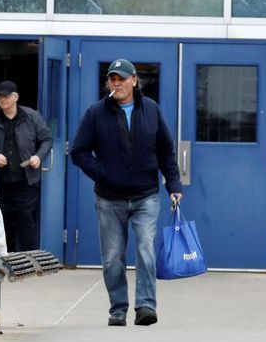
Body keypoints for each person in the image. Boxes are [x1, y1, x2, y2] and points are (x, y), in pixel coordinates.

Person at [70, 59, 183, 327]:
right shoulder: (96, 113)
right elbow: (78, 152)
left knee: (145, 249)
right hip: (109, 198)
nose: (117, 83)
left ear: (134, 80)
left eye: (122, 78)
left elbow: (166, 150)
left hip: (146, 195)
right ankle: (118, 309)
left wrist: (174, 185)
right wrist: (103, 173)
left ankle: (145, 306)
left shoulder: (152, 110)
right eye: (112, 79)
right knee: (112, 257)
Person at [0, 81, 52, 252]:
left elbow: (47, 139)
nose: (2, 99)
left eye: (6, 96)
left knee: (26, 220)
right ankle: (5, 258)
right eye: (0, 96)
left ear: (15, 97)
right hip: (0, 183)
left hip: (26, 180)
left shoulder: (31, 117)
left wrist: (38, 157)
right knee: (2, 222)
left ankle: (28, 257)